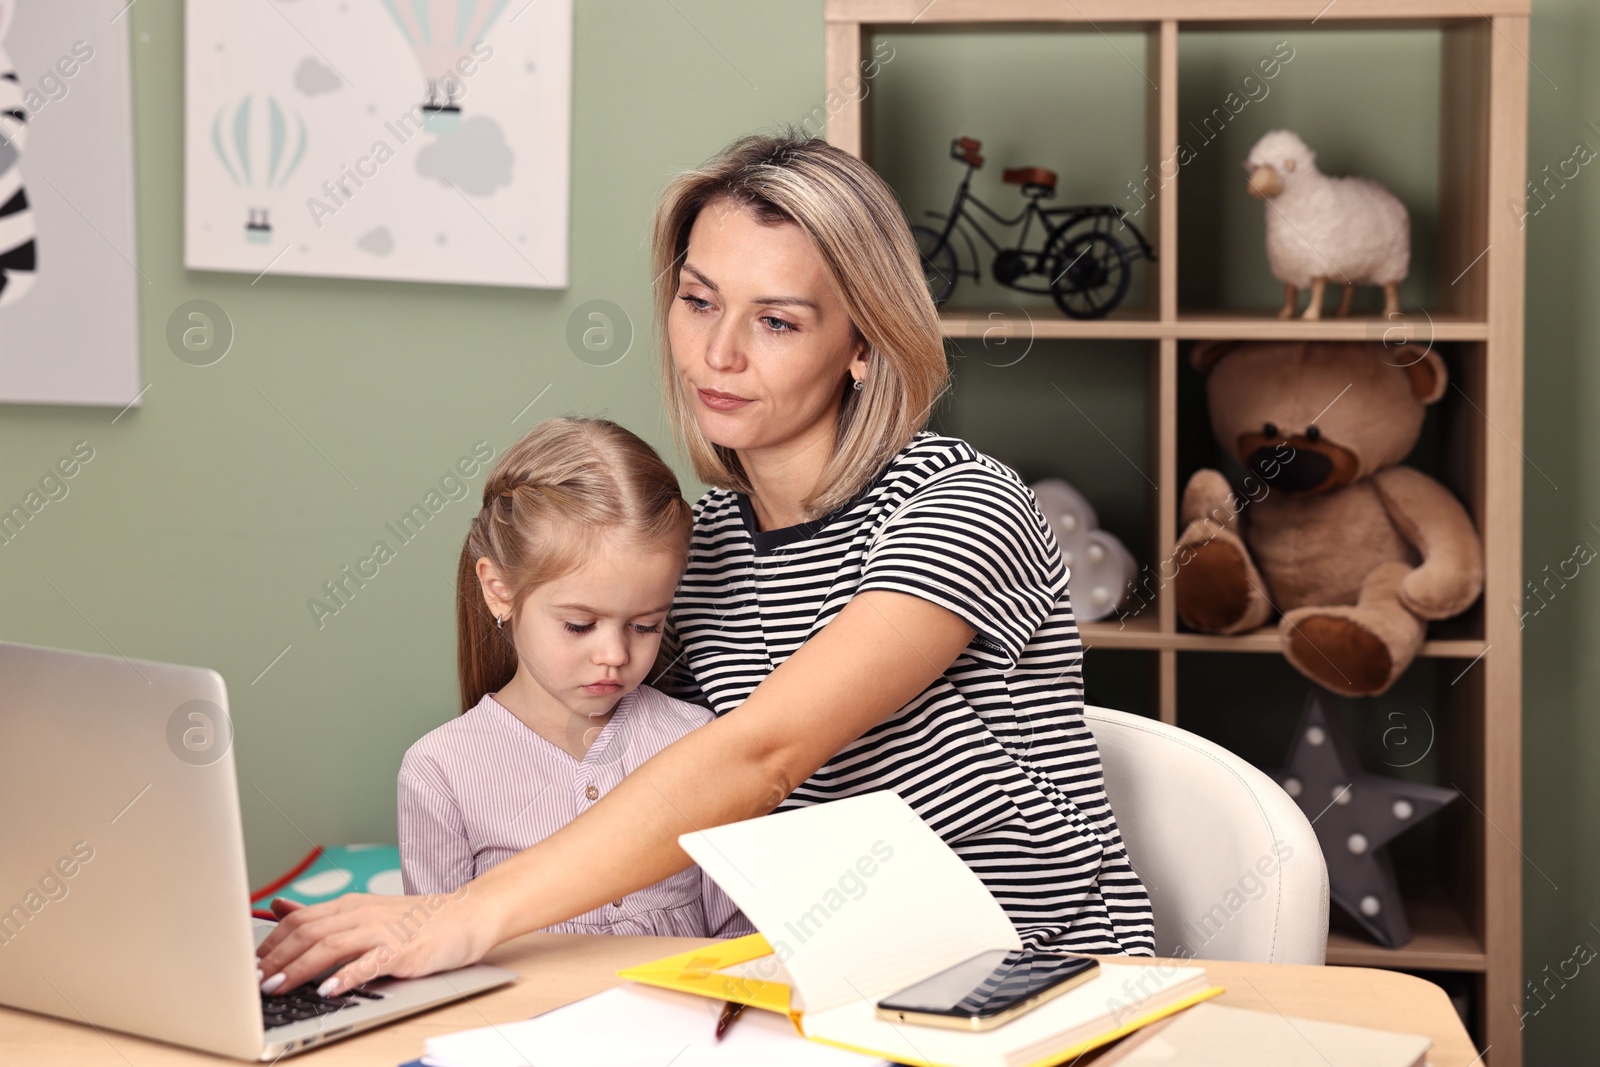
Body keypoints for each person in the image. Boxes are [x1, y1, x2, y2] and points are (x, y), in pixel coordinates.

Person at [255, 130, 1155, 999]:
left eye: (776, 320)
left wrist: (460, 915)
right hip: (817, 994)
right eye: (698, 301)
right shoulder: (698, 549)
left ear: (865, 344)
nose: (718, 353)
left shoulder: (960, 505)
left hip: (1034, 988)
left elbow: (759, 755)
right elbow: (620, 773)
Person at [393, 418, 752, 940]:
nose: (613, 655)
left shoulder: (697, 741)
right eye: (579, 625)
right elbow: (436, 960)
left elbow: (740, 938)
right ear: (499, 590)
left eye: (645, 625)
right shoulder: (440, 771)